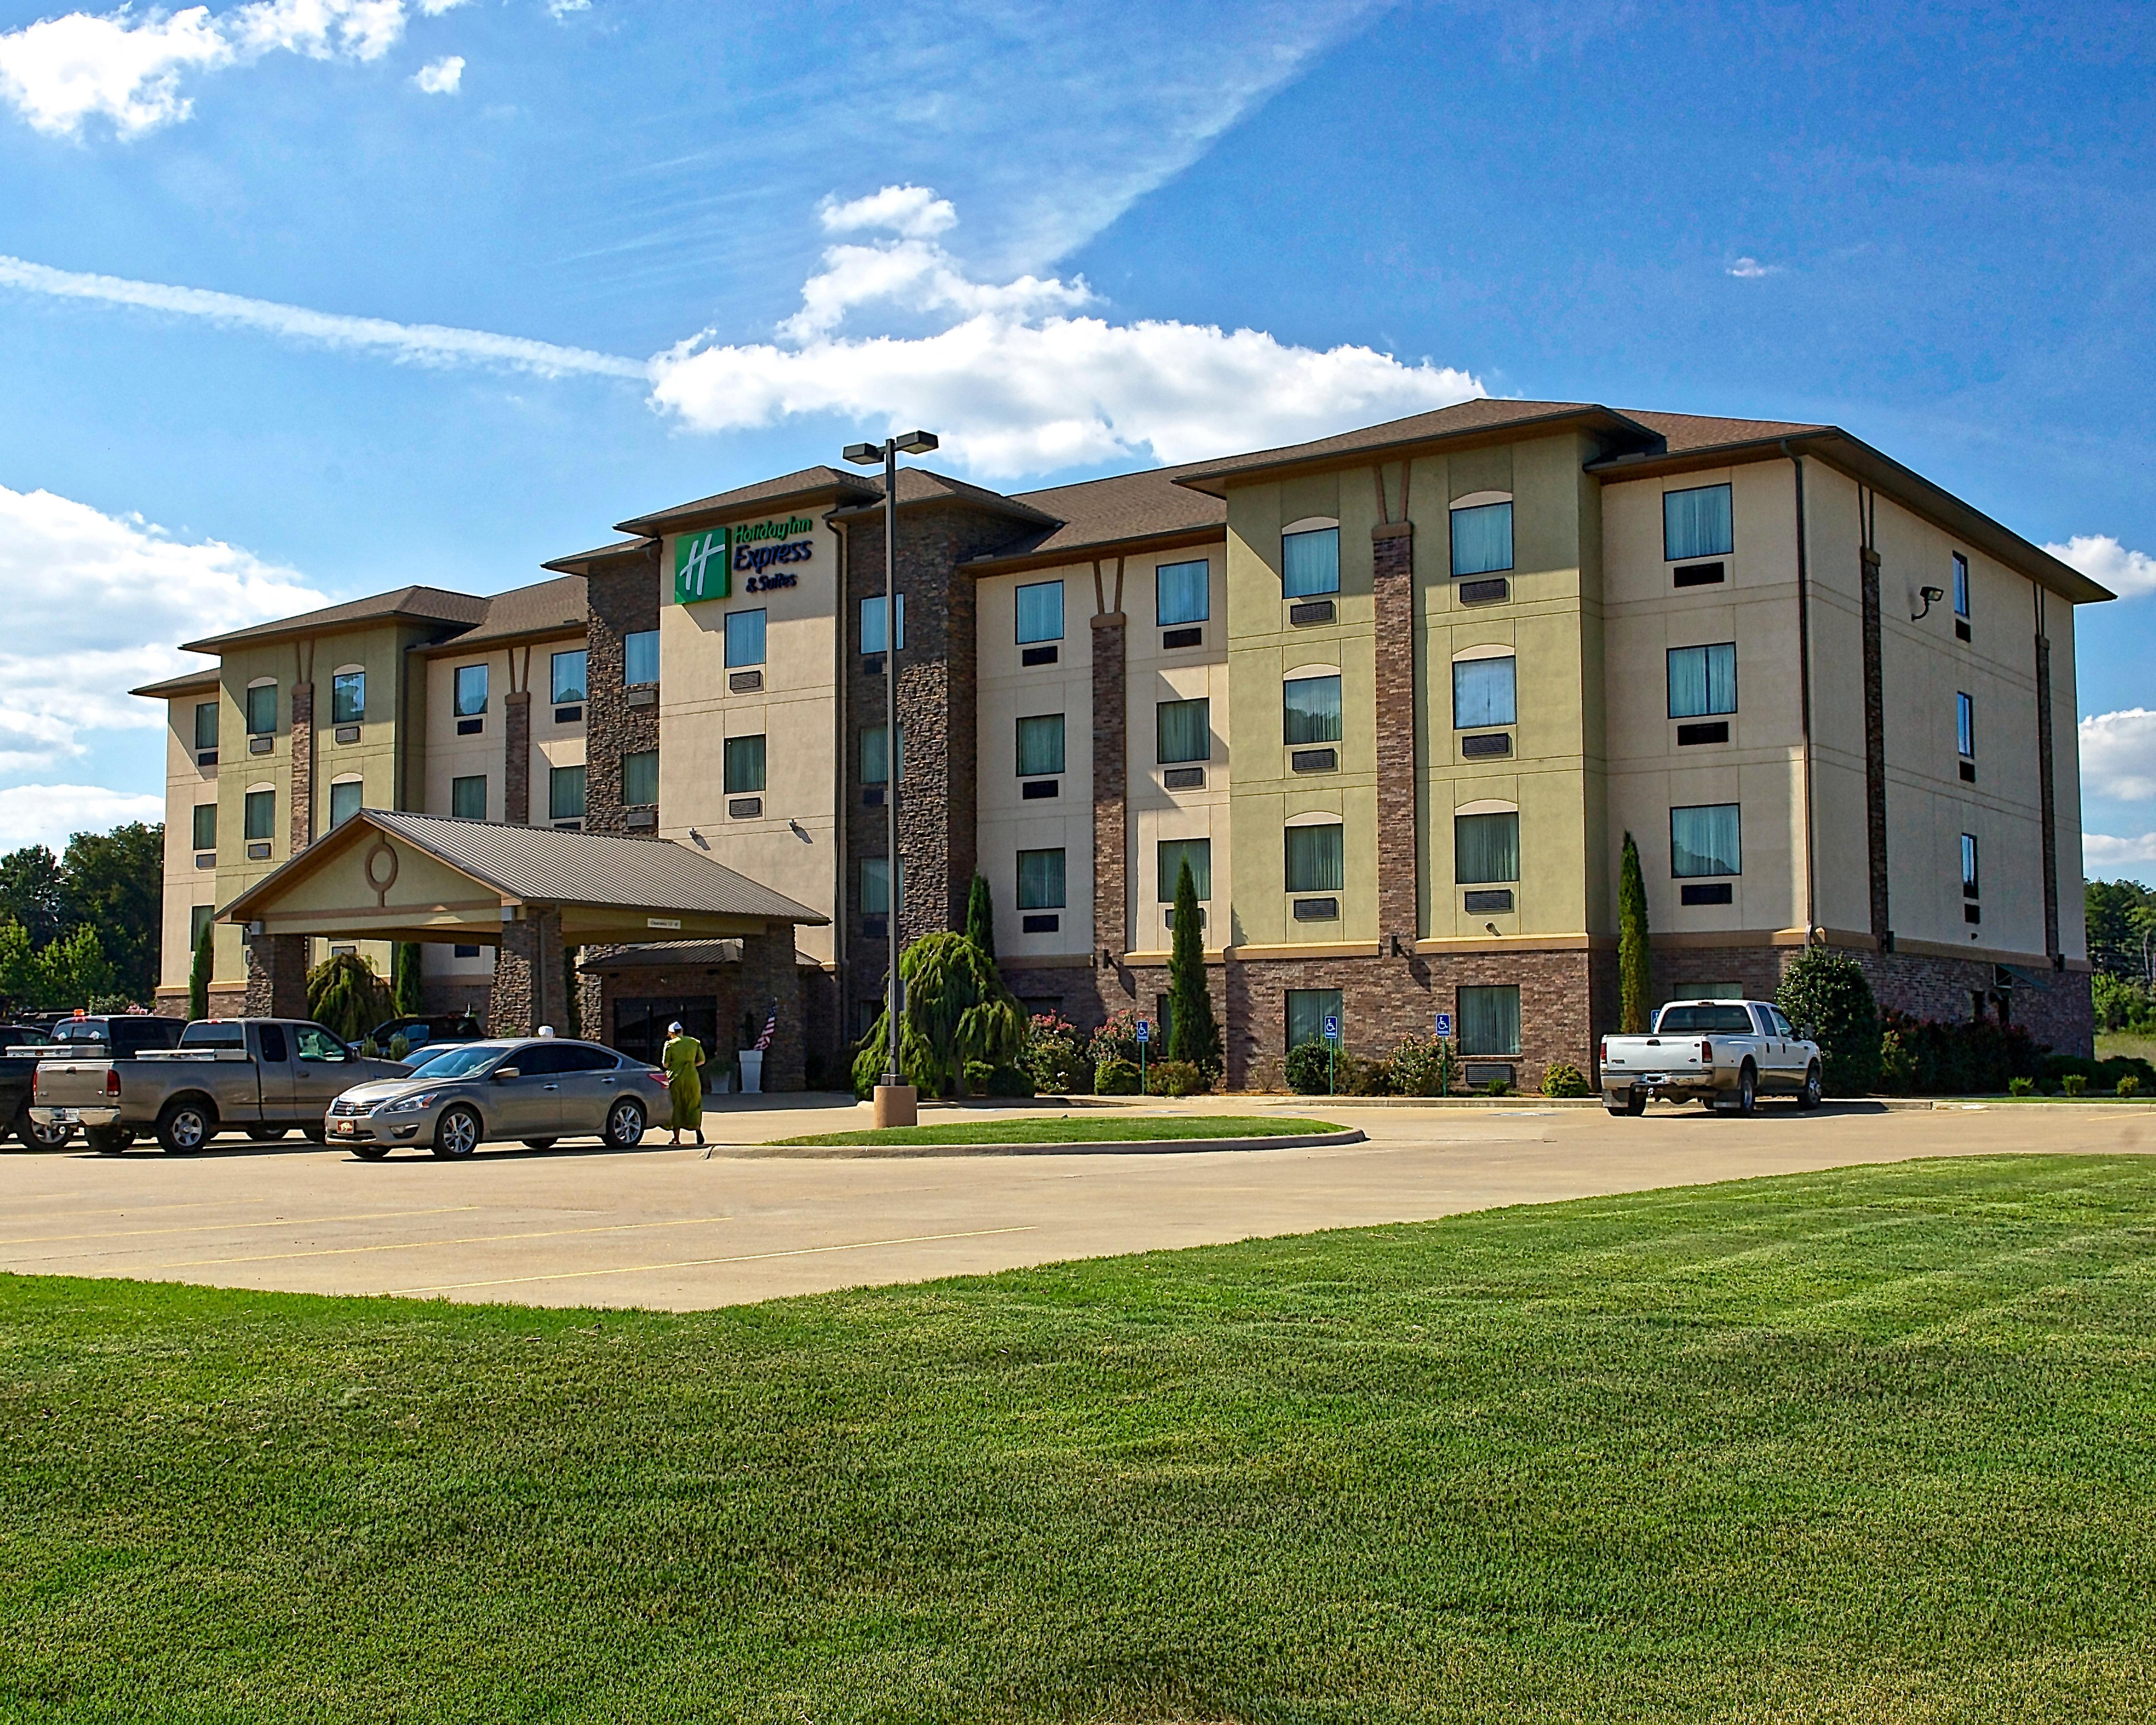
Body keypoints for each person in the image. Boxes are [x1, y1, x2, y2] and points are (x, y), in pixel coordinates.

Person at [661, 1020, 705, 1146]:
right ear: (682, 1031)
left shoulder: (670, 1045)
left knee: (677, 1105)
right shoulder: (694, 1042)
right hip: (692, 1077)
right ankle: (697, 1130)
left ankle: (676, 1138)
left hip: (676, 1078)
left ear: (671, 1033)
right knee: (694, 1103)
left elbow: (665, 1064)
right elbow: (702, 1061)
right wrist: (691, 1065)